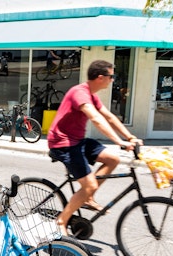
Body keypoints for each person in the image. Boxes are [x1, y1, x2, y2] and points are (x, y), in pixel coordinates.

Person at [47, 60, 142, 236]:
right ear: (100, 77)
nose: (112, 80)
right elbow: (97, 119)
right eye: (111, 76)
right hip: (63, 143)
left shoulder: (92, 95)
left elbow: (110, 117)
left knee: (112, 159)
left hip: (77, 141)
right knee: (89, 185)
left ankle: (87, 197)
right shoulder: (79, 93)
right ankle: (61, 221)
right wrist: (119, 142)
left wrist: (129, 137)